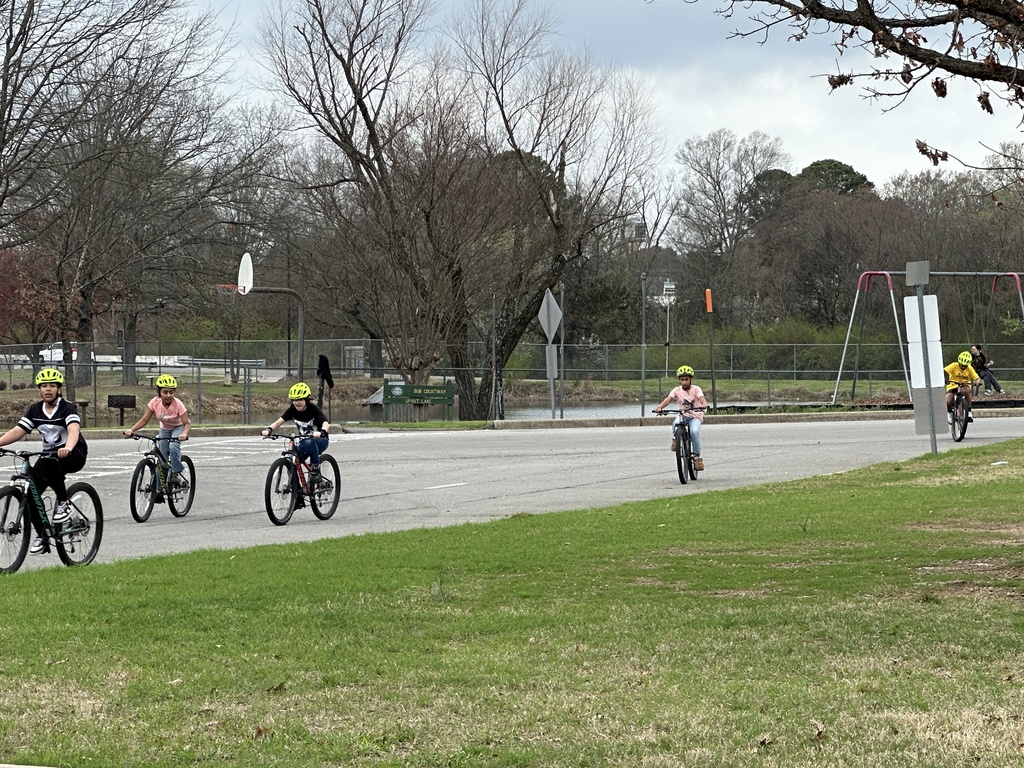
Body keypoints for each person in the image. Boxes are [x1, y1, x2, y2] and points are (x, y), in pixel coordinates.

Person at [0, 368, 88, 555]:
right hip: (50, 456)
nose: (48, 389)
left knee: (49, 462)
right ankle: (43, 536)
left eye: (52, 386)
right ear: (39, 390)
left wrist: (68, 447)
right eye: (44, 386)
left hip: (73, 454)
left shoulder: (67, 408)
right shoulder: (35, 410)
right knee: (30, 493)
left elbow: (73, 429)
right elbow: (18, 430)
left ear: (59, 389)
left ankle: (64, 502)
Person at [123, 373, 191, 487]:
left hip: (178, 427)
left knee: (173, 447)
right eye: (165, 392)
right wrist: (131, 430)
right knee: (162, 458)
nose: (168, 395)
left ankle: (175, 473)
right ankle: (159, 489)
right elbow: (144, 420)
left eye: (171, 392)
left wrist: (184, 433)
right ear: (159, 392)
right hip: (165, 428)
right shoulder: (154, 403)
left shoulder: (178, 404)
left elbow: (186, 423)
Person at [261, 382, 331, 483]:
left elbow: (325, 422)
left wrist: (322, 431)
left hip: (320, 440)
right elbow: (279, 422)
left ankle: (315, 471)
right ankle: (296, 489)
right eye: (294, 400)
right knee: (292, 461)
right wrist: (269, 430)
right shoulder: (292, 410)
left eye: (300, 400)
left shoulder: (313, 409)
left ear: (306, 400)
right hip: (304, 442)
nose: (297, 402)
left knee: (309, 442)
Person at [653, 365, 709, 471]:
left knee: (694, 432)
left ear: (691, 379)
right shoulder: (676, 390)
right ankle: (676, 439)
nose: (684, 382)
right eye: (682, 380)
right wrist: (660, 407)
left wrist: (704, 404)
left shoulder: (696, 389)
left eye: (686, 379)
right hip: (683, 415)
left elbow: (701, 398)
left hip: (695, 416)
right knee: (675, 424)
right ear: (679, 380)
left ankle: (697, 457)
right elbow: (668, 400)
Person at [944, 351, 982, 424]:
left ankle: (969, 411)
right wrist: (944, 379)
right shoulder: (953, 365)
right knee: (948, 401)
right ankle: (949, 413)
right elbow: (944, 371)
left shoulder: (969, 368)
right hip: (953, 385)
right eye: (962, 365)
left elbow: (977, 377)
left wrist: (977, 381)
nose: (963, 367)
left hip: (964, 385)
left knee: (966, 392)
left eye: (965, 366)